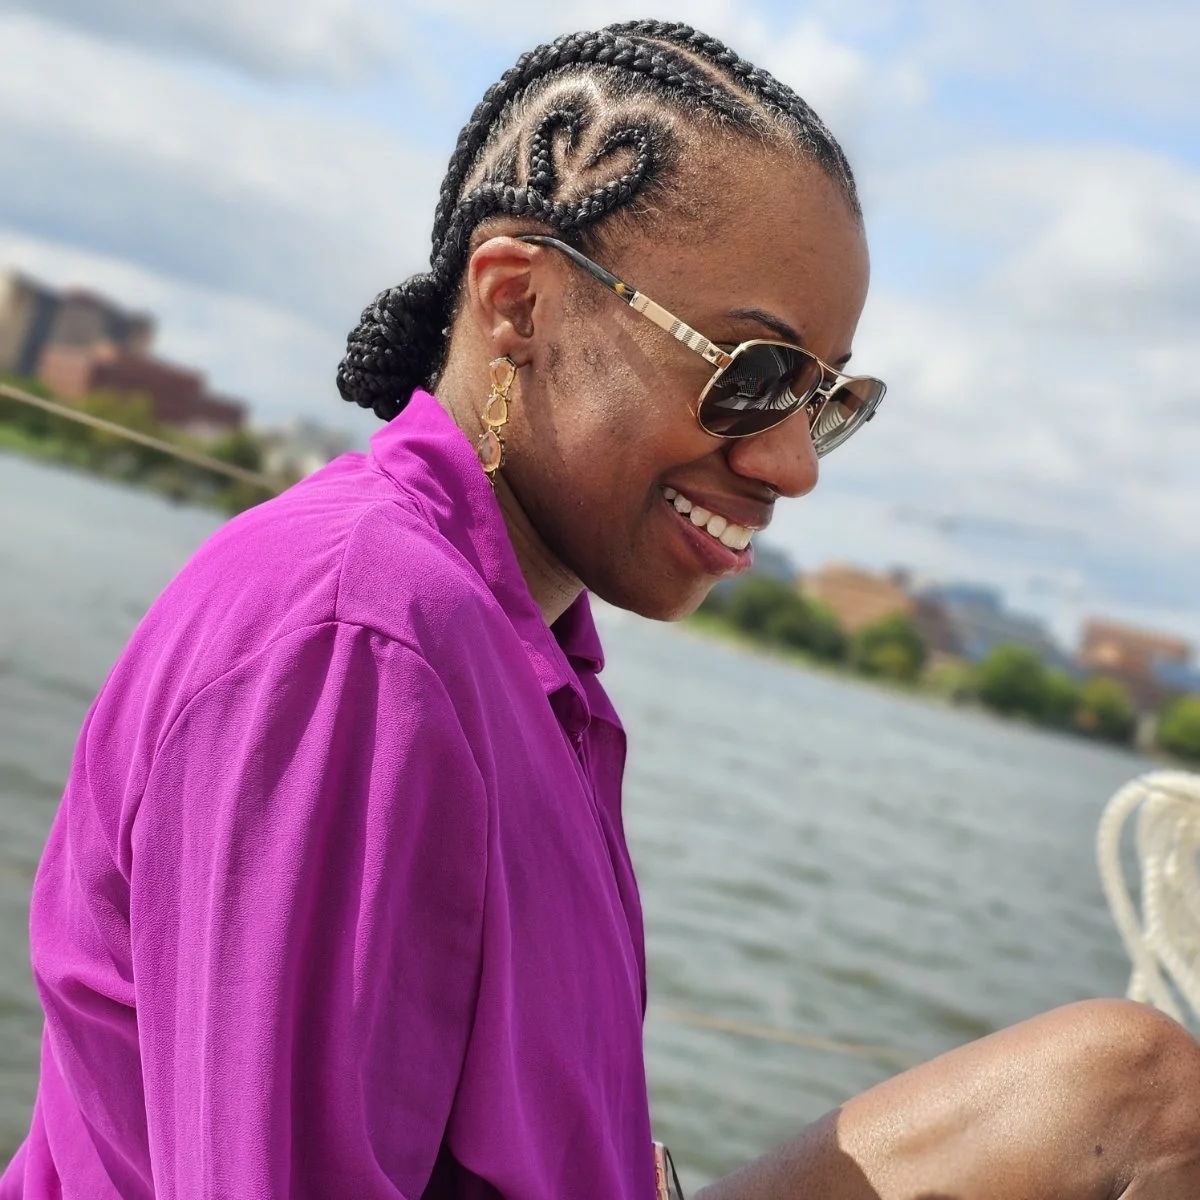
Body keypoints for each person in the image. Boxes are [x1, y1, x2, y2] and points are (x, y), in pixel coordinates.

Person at [3, 19, 1199, 1200]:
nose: (794, 465)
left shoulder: (516, 644)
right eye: (753, 374)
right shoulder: (358, 641)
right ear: (517, 302)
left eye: (827, 400)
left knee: (1136, 1091)